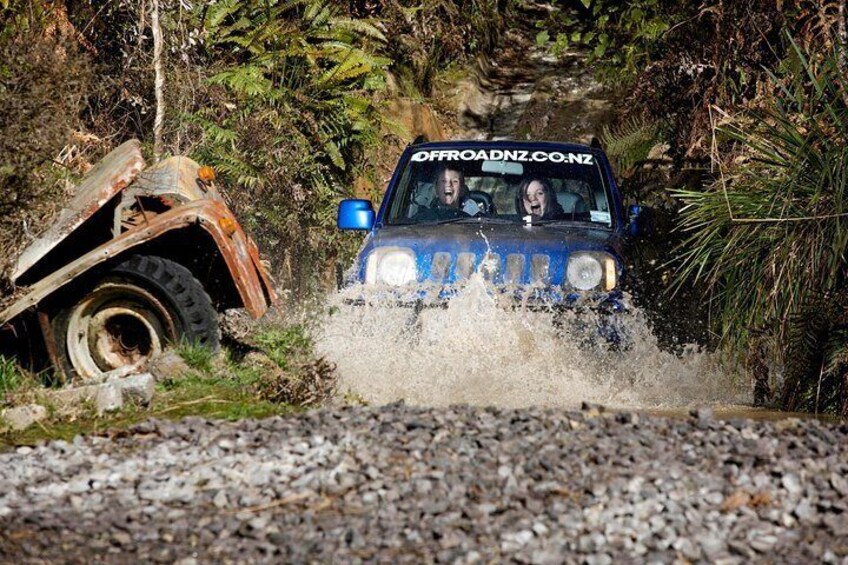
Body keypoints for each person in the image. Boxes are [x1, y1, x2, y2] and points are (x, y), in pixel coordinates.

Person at [414, 167, 478, 221]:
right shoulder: (421, 219)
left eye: (455, 181)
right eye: (443, 181)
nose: (449, 185)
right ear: (436, 188)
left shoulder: (475, 219)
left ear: (462, 189)